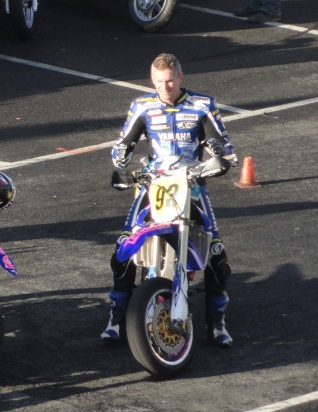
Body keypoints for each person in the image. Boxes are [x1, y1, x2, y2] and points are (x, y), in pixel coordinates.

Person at [102, 53, 238, 347]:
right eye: (159, 82)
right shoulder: (142, 106)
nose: (165, 87)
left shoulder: (203, 105)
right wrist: (122, 157)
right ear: (152, 81)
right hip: (154, 183)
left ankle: (216, 323)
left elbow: (226, 151)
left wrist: (216, 149)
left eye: (170, 81)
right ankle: (116, 318)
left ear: (180, 78)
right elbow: (121, 146)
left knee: (218, 257)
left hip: (191, 184)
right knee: (121, 253)